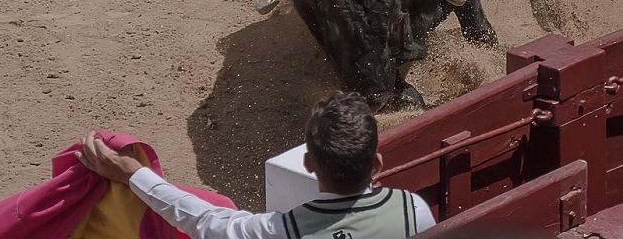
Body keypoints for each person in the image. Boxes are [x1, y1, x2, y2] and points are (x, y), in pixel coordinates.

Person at [77, 91, 436, 238]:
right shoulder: (415, 211)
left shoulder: (278, 231)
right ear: (376, 165)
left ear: (309, 162)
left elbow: (200, 219)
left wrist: (132, 173)